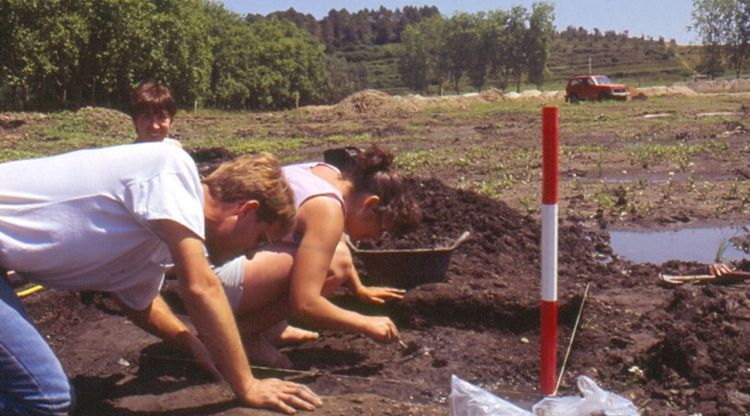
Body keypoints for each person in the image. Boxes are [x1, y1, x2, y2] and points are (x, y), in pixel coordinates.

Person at [0, 143, 321, 415]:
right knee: (46, 399)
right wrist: (247, 385)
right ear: (248, 210)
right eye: (260, 239)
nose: (252, 255)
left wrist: (191, 343)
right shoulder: (172, 170)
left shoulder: (155, 239)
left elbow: (140, 303)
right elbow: (200, 287)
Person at [214, 145, 421, 367]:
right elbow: (304, 304)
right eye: (381, 229)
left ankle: (270, 327)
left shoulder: (327, 173)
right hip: (214, 283)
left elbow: (330, 240)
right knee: (334, 264)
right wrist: (366, 323)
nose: (376, 238)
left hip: (204, 264)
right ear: (371, 205)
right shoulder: (328, 209)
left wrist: (358, 288)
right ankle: (242, 335)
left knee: (326, 256)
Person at [130, 80, 180, 146]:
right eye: (147, 117)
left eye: (161, 117)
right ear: (135, 121)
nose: (154, 126)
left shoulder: (175, 149)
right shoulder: (125, 155)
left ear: (171, 121)